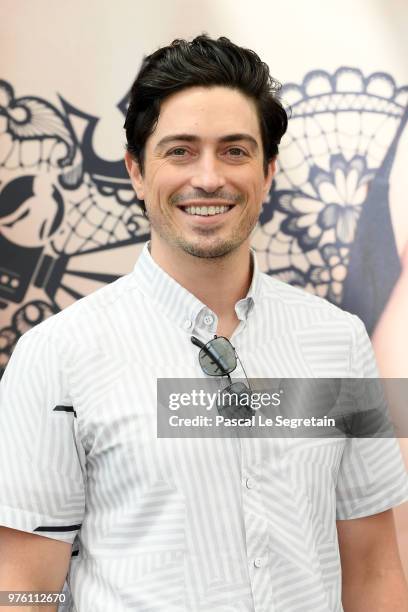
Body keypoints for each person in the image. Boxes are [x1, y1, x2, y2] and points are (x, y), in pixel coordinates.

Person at [0, 34, 407, 612]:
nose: (209, 177)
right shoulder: (56, 354)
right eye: (181, 151)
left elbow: (373, 571)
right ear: (137, 172)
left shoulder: (339, 341)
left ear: (268, 173)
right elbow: (22, 590)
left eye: (235, 151)